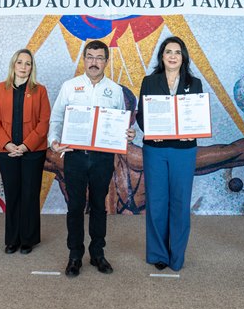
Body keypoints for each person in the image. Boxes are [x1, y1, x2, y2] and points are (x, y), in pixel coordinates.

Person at [48, 40, 135, 277]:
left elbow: (121, 123)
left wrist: (128, 133)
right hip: (74, 157)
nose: (94, 62)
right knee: (75, 206)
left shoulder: (115, 90)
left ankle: (97, 253)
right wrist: (54, 141)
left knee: (98, 205)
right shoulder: (69, 86)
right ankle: (75, 255)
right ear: (84, 59)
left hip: (102, 158)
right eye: (90, 57)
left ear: (106, 61)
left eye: (99, 58)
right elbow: (56, 118)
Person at [135, 36, 203, 272]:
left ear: (183, 57)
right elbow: (141, 114)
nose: (173, 56)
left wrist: (190, 132)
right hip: (155, 150)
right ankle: (158, 254)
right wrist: (152, 131)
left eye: (177, 52)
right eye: (168, 52)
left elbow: (196, 115)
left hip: (184, 151)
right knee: (156, 202)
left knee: (180, 202)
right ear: (161, 56)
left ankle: (177, 256)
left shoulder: (194, 83)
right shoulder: (149, 81)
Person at [0, 49, 50, 255]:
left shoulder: (40, 91)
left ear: (32, 67)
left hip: (33, 151)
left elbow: (44, 122)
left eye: (28, 63)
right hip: (6, 151)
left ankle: (28, 239)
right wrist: (7, 144)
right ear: (13, 65)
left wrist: (25, 146)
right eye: (20, 62)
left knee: (30, 194)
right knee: (12, 194)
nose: (23, 67)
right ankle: (12, 239)